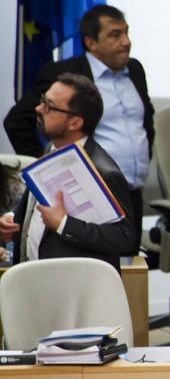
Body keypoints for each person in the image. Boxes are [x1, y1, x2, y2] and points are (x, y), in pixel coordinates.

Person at [4, 5, 154, 254]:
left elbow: (146, 122)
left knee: (127, 265)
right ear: (90, 42)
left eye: (127, 33)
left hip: (130, 189)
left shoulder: (135, 70)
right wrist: (45, 167)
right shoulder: (66, 77)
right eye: (115, 34)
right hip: (81, 191)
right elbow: (17, 121)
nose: (126, 42)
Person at [0, 73, 136, 273]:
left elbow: (124, 238)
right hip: (34, 282)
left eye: (49, 106)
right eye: (42, 101)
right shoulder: (51, 149)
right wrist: (14, 219)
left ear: (75, 123)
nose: (38, 109)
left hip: (72, 290)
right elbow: (38, 204)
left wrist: (64, 224)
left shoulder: (103, 171)